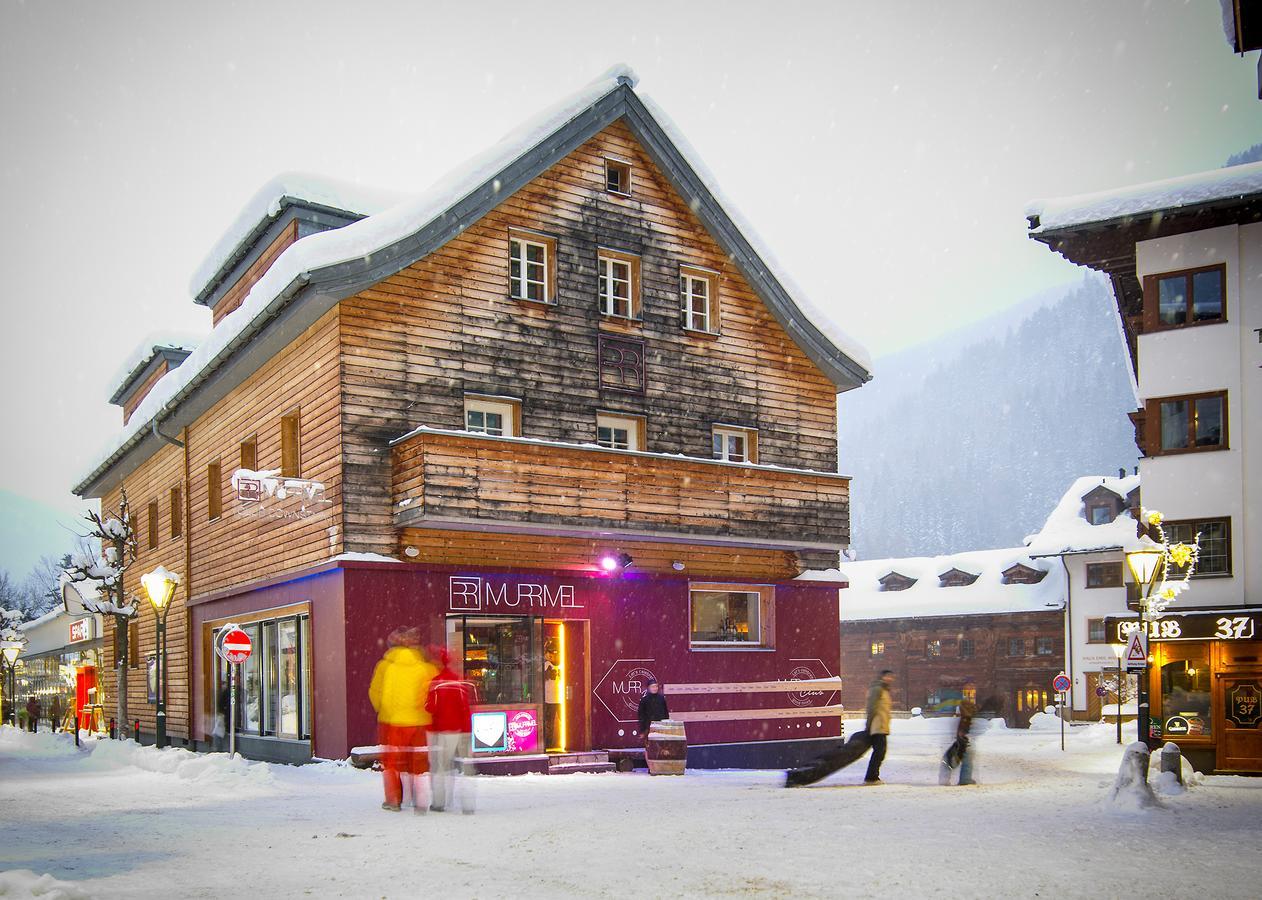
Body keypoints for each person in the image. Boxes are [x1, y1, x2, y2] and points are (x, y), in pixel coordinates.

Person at [368, 627, 437, 813]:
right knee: (417, 762)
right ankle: (419, 800)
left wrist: (384, 711)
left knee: (392, 763)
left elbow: (376, 692)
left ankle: (394, 799)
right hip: (420, 722)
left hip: (393, 722)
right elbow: (431, 693)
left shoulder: (386, 666)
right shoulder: (425, 667)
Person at [425, 647, 475, 814]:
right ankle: (467, 805)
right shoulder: (458, 682)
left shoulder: (437, 682)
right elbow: (465, 706)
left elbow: (430, 707)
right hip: (462, 729)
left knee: (441, 768)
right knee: (465, 768)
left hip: (444, 730)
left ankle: (439, 803)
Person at [940, 686, 978, 786]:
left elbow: (963, 730)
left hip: (963, 741)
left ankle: (948, 779)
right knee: (963, 760)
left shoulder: (965, 718)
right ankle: (964, 779)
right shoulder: (966, 717)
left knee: (951, 759)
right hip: (964, 741)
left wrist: (961, 737)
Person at [862, 670, 894, 784]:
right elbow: (871, 707)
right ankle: (871, 777)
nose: (890, 679)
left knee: (880, 752)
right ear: (882, 677)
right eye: (888, 676)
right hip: (877, 726)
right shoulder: (877, 689)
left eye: (891, 677)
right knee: (879, 752)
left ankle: (872, 776)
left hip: (882, 725)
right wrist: (869, 725)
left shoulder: (884, 690)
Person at [637, 678, 669, 744]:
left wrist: (666, 726)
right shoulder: (644, 700)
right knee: (650, 747)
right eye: (653, 686)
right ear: (648, 688)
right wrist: (643, 730)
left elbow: (666, 713)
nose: (655, 688)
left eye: (656, 686)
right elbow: (641, 716)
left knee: (661, 747)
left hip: (661, 727)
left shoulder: (661, 698)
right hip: (649, 728)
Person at [543, 643, 562, 751]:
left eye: (555, 653)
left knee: (561, 721)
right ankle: (548, 744)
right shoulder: (546, 665)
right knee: (549, 723)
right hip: (549, 699)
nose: (552, 656)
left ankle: (554, 743)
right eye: (550, 653)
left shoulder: (561, 664)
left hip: (559, 698)